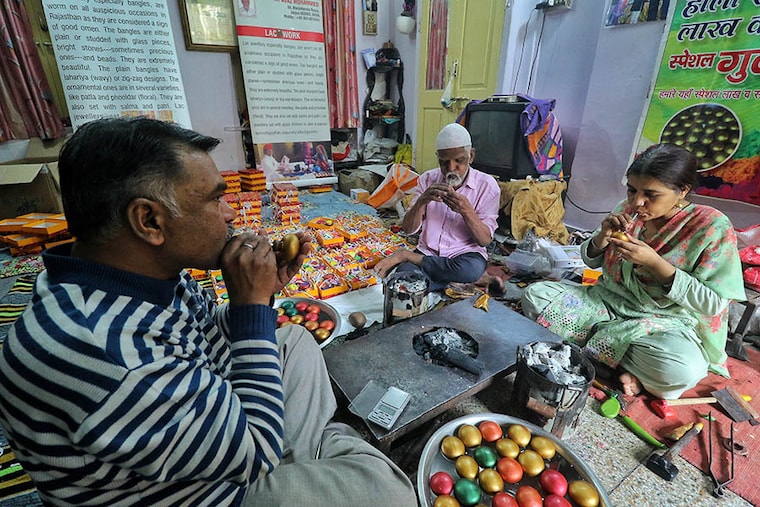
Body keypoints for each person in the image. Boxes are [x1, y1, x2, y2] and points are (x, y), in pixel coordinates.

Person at [0, 117, 415, 506]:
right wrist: (251, 310)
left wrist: (260, 294)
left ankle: (297, 454)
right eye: (216, 199)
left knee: (292, 340)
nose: (231, 212)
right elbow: (252, 451)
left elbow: (202, 337)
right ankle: (319, 450)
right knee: (387, 488)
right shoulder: (100, 349)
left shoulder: (138, 273)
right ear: (149, 220)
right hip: (193, 494)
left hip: (192, 436)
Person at [521, 143, 746, 399]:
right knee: (535, 295)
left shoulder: (710, 226)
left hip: (662, 322)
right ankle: (615, 365)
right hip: (606, 303)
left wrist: (655, 264)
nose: (637, 202)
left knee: (683, 371)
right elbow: (590, 261)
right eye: (631, 190)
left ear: (682, 191)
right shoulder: (627, 209)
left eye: (651, 194)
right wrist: (602, 237)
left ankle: (594, 352)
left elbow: (713, 303)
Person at [374, 123, 502, 292]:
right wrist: (421, 202)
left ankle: (406, 256)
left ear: (471, 156)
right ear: (438, 158)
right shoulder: (427, 179)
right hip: (428, 253)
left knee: (469, 270)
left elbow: (485, 240)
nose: (451, 168)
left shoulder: (488, 186)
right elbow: (408, 229)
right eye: (444, 162)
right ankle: (463, 280)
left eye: (459, 160)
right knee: (405, 282)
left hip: (465, 256)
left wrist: (467, 211)